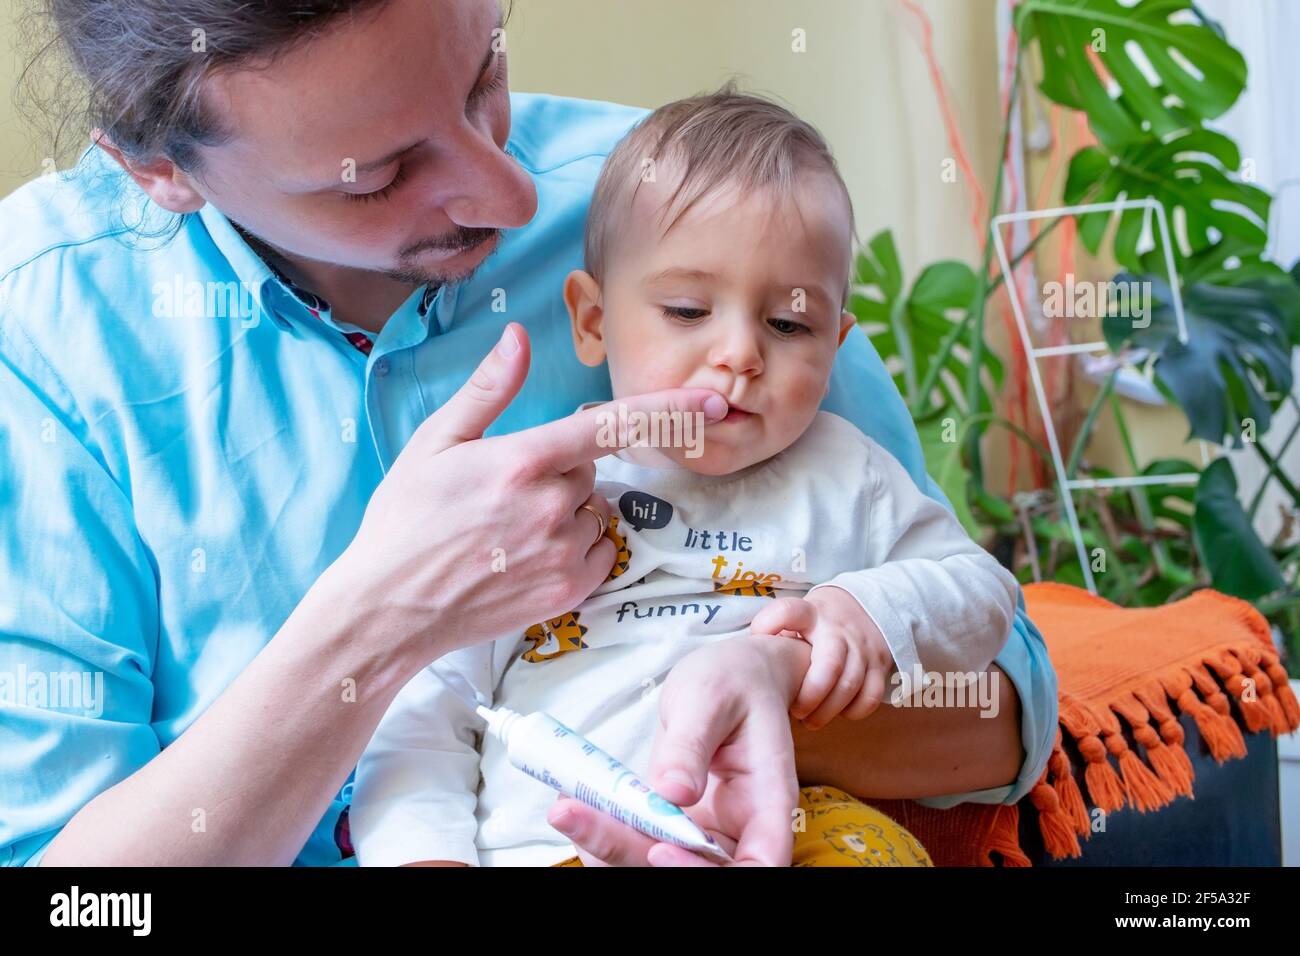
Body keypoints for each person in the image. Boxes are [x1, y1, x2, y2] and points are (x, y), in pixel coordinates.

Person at [0, 0, 1057, 867]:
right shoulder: (44, 332)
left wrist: (750, 703)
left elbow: (999, 704)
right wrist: (383, 614)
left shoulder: (686, 205)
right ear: (157, 170)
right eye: (376, 173)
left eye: (483, 79)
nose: (509, 195)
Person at [350, 88, 1022, 867]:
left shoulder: (849, 474)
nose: (740, 354)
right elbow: (428, 706)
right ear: (592, 322)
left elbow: (984, 596)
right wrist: (425, 858)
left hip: (784, 829)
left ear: (836, 344)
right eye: (686, 310)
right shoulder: (534, 495)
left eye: (788, 324)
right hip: (550, 845)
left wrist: (862, 611)